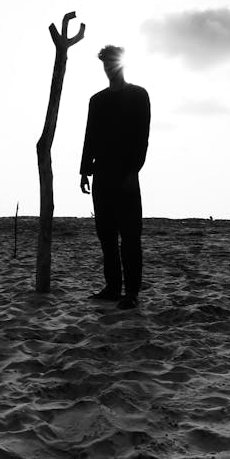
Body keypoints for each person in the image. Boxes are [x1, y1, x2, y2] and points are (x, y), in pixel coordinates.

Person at [80, 45, 151, 310]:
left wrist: (133, 171)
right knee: (106, 235)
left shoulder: (138, 95)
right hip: (102, 174)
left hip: (127, 174)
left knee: (130, 236)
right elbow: (91, 136)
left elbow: (142, 138)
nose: (110, 67)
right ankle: (112, 287)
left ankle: (131, 292)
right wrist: (85, 170)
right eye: (106, 64)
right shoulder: (97, 100)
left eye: (113, 62)